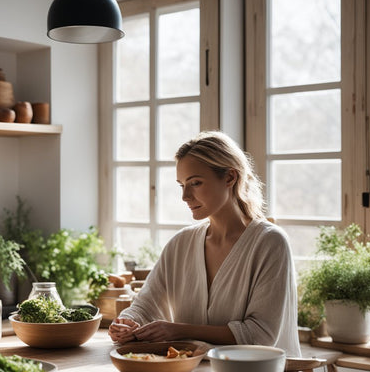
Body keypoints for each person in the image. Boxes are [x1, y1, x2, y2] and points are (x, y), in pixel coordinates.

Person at [109, 131, 301, 357]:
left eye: (196, 183)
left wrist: (177, 331)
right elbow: (144, 305)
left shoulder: (269, 243)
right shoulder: (181, 244)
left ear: (230, 177)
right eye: (181, 185)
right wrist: (127, 323)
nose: (185, 196)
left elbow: (259, 334)